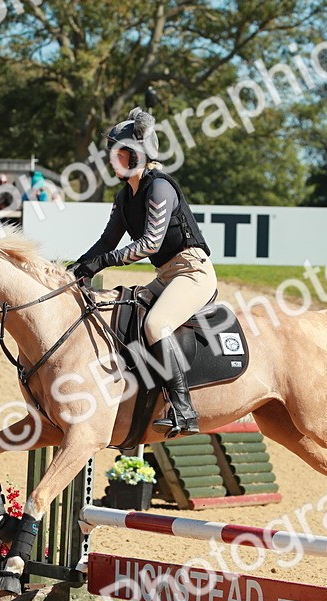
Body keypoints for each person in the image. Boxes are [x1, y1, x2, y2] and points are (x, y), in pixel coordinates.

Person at [69, 107, 216, 436]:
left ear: (139, 154)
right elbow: (106, 241)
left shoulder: (159, 187)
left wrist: (104, 263)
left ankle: (183, 409)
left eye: (120, 153)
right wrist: (77, 269)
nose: (114, 160)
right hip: (166, 275)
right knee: (125, 315)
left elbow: (150, 243)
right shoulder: (124, 197)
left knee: (155, 323)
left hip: (193, 272)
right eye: (114, 154)